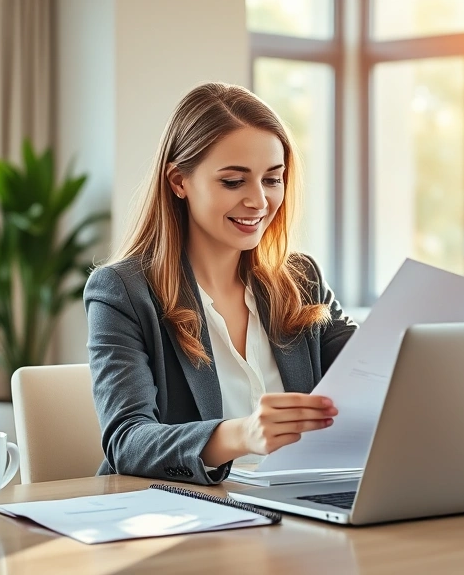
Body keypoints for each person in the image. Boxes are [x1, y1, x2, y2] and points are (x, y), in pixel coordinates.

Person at [84, 82, 358, 485]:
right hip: (184, 518)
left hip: (300, 509)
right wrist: (243, 434)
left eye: (272, 179)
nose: (259, 202)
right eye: (234, 182)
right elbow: (128, 441)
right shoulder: (122, 292)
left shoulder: (301, 279)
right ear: (179, 181)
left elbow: (373, 371)